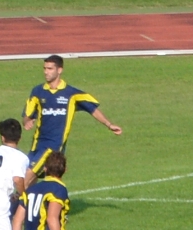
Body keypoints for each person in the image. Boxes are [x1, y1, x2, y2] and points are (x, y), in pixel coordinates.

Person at [22, 55, 121, 184]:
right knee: (32, 176)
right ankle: (28, 202)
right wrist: (27, 121)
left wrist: (109, 124)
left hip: (54, 144)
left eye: (50, 69)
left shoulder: (71, 94)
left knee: (30, 172)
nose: (46, 72)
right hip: (37, 143)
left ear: (59, 70)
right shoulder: (38, 91)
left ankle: (16, 199)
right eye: (44, 68)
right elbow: (27, 113)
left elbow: (92, 109)